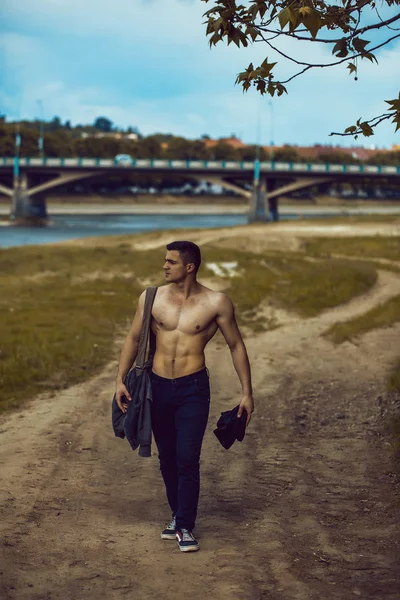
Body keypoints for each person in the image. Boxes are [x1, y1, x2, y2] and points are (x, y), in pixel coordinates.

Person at [115, 240, 254, 552]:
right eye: (165, 261)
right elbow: (134, 337)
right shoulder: (151, 297)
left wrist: (247, 393)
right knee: (167, 458)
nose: (164, 266)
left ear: (189, 267)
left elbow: (236, 346)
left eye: (171, 262)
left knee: (188, 456)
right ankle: (177, 515)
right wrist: (119, 380)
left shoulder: (216, 302)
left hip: (192, 388)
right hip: (157, 386)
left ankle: (185, 526)